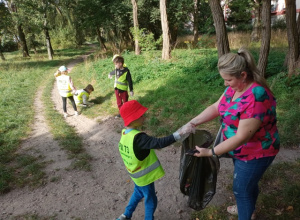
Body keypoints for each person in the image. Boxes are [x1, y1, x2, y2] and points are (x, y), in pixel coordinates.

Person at [188, 47, 280, 220]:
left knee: (241, 189)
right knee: (248, 184)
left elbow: (241, 137)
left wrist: (211, 152)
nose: (225, 84)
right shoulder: (234, 88)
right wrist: (194, 121)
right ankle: (249, 208)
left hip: (256, 152)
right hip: (240, 150)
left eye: (228, 79)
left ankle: (246, 210)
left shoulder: (255, 98)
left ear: (243, 75)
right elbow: (217, 106)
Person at [116, 100, 194, 220]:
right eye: (141, 115)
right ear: (134, 118)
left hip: (135, 174)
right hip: (144, 178)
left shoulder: (125, 134)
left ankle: (126, 215)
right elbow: (159, 143)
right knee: (150, 199)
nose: (144, 116)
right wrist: (179, 133)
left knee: (138, 193)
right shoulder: (139, 138)